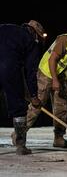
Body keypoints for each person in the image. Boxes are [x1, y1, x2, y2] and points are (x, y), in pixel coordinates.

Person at [0, 21, 46, 155]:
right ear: (35, 33)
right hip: (10, 69)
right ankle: (21, 146)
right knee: (19, 107)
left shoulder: (5, 27)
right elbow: (30, 72)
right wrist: (33, 96)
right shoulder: (30, 40)